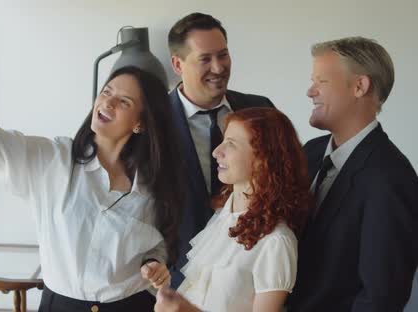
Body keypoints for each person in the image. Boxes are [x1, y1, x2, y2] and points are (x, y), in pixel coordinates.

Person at [0, 10, 186, 312]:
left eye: (124, 101)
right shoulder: (54, 161)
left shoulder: (153, 182)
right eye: (106, 91)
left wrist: (154, 263)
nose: (107, 102)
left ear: (140, 123)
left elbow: (156, 244)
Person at [288, 37, 418, 311]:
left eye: (321, 81)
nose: (310, 91)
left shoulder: (391, 178)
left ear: (360, 86)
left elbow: (381, 297)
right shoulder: (309, 153)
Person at [154, 107, 310, 312]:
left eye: (231, 144)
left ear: (264, 159)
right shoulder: (223, 217)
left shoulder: (276, 241)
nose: (216, 151)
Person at [166, 13, 276, 287]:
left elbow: (284, 184)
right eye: (205, 59)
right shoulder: (151, 123)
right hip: (178, 284)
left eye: (223, 55)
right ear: (177, 64)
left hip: (253, 280)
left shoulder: (260, 110)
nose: (218, 67)